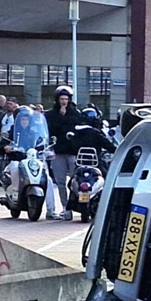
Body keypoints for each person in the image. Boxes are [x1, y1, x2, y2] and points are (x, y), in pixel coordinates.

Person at [45, 86, 84, 220]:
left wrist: (65, 117)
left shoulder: (75, 113)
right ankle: (65, 208)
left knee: (74, 181)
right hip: (58, 152)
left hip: (72, 151)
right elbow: (51, 129)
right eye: (61, 99)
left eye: (66, 99)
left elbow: (76, 127)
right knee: (60, 182)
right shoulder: (51, 114)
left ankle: (76, 205)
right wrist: (60, 116)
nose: (64, 102)